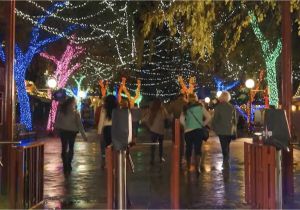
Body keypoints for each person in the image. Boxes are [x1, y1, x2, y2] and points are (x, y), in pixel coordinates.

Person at [180, 94, 211, 175]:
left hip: (188, 131)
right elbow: (208, 117)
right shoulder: (201, 106)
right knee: (198, 149)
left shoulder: (185, 107)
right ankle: (197, 167)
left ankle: (188, 166)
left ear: (188, 99)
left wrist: (186, 125)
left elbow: (181, 119)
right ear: (196, 98)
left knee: (188, 148)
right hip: (198, 130)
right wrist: (202, 124)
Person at [55, 97, 88, 173]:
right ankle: (69, 163)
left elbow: (57, 121)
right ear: (72, 103)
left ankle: (65, 164)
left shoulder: (62, 111)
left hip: (63, 131)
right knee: (71, 148)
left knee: (64, 148)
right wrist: (84, 136)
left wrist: (56, 129)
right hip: (72, 132)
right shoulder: (75, 112)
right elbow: (80, 125)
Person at [212, 91, 237, 170]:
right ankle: (226, 159)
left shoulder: (218, 107)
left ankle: (225, 160)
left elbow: (215, 119)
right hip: (230, 130)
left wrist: (214, 127)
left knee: (224, 146)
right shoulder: (232, 107)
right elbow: (235, 120)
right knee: (227, 145)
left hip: (221, 130)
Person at [97, 95, 118, 169]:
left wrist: (99, 132)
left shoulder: (104, 109)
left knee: (107, 147)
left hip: (107, 129)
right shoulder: (117, 108)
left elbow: (101, 120)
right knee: (114, 147)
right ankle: (114, 162)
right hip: (115, 129)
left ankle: (107, 163)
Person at [148, 99, 169, 164]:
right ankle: (160, 158)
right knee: (160, 145)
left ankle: (152, 159)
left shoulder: (152, 110)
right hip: (160, 130)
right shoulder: (162, 110)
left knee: (153, 145)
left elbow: (148, 119)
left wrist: (149, 126)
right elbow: (166, 117)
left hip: (153, 129)